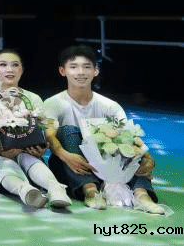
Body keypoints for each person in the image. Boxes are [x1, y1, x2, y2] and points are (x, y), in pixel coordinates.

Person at [42, 45, 164, 214]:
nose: (80, 72)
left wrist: (148, 158)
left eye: (86, 67)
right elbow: (50, 136)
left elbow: (130, 136)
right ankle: (90, 191)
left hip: (108, 165)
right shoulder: (53, 103)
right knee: (68, 131)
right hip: (72, 165)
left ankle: (142, 195)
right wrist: (65, 155)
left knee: (130, 146)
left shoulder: (110, 106)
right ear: (62, 71)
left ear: (95, 71)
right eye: (73, 67)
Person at [0, 48, 71, 209]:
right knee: (5, 166)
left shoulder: (33, 98)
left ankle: (55, 188)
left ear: (21, 70)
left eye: (15, 65)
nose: (9, 69)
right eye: (3, 65)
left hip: (27, 152)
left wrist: (41, 146)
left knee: (30, 160)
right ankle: (26, 191)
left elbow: (41, 127)